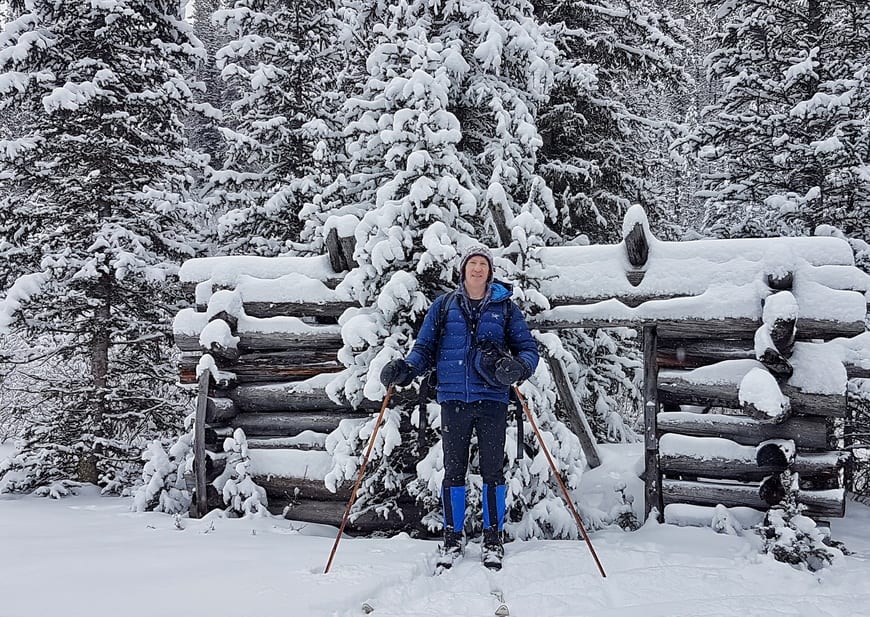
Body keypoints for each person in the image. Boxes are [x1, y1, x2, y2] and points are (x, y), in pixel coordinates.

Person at [379, 244, 540, 571]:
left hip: (492, 400)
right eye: (472, 264)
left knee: (493, 471)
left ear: (489, 271)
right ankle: (453, 537)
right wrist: (406, 370)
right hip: (453, 400)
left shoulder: (505, 308)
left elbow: (528, 349)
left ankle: (492, 537)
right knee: (453, 471)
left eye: (483, 264)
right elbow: (423, 349)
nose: (478, 269)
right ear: (463, 270)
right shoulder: (443, 306)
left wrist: (519, 368)